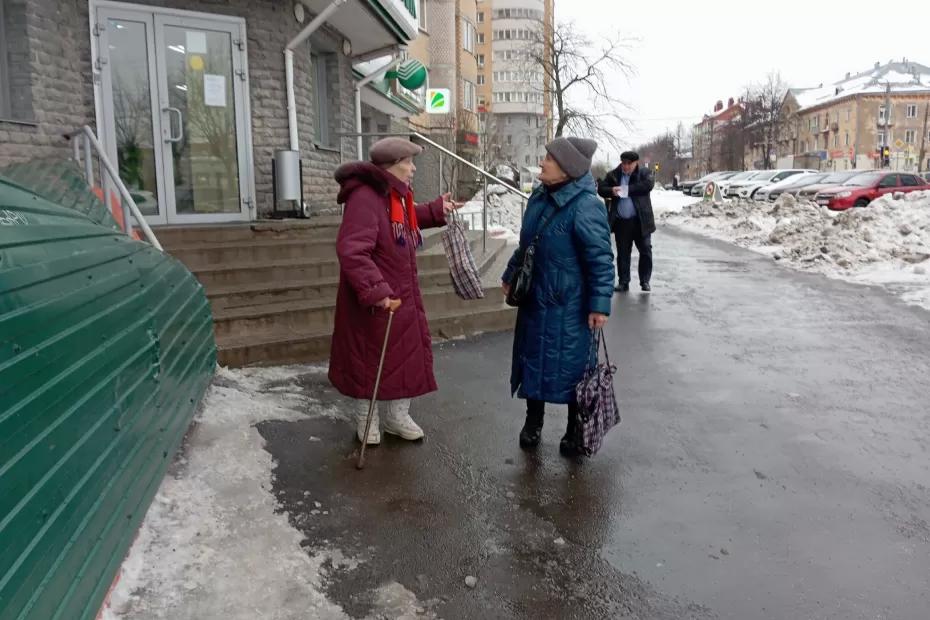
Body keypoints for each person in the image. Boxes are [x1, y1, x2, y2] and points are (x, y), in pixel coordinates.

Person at [329, 138, 461, 445]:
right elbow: (352, 250)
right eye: (408, 162)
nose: (413, 168)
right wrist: (376, 291)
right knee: (369, 360)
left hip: (401, 293)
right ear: (392, 165)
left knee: (404, 358)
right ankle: (367, 419)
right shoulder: (365, 196)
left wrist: (435, 210)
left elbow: (401, 220)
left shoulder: (392, 194)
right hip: (376, 298)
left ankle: (395, 417)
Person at [502, 137, 615, 457]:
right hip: (535, 303)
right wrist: (511, 274)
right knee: (533, 364)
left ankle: (573, 430)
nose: (542, 163)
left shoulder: (586, 205)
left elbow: (601, 259)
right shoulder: (538, 197)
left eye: (549, 159)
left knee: (572, 372)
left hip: (570, 308)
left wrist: (599, 304)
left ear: (566, 169)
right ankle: (533, 422)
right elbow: (528, 245)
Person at [598, 151, 656, 293]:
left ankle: (645, 281)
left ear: (636, 163)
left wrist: (626, 190)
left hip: (641, 220)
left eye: (628, 164)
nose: (625, 167)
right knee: (623, 253)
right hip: (622, 222)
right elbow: (601, 189)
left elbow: (647, 185)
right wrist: (612, 190)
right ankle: (624, 282)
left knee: (646, 251)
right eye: (623, 163)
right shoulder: (614, 175)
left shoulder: (644, 173)